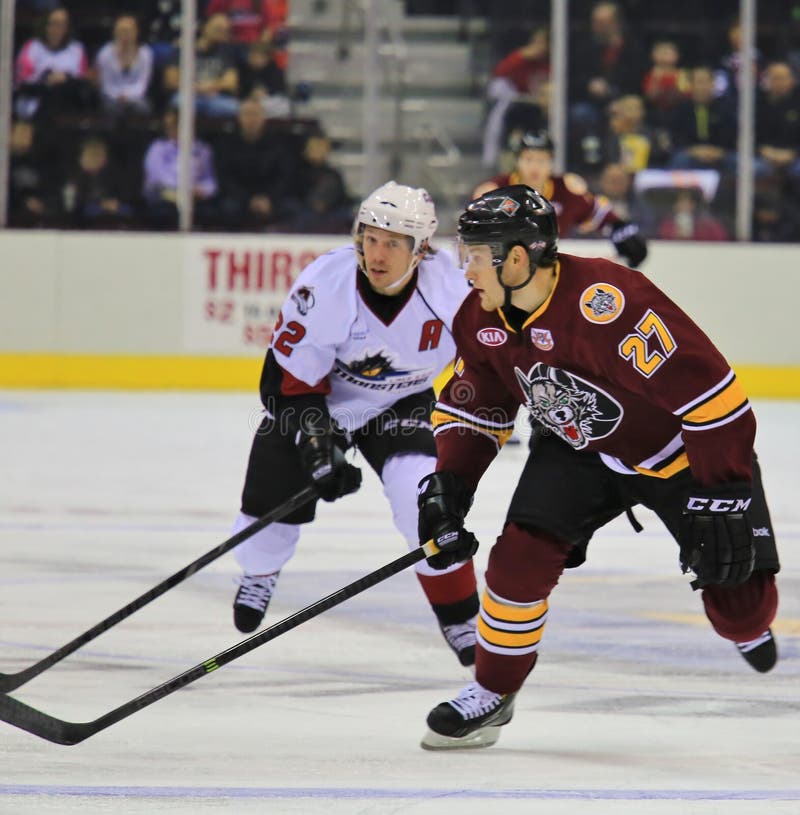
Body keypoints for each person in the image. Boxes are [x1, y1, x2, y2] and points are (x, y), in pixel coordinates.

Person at [416, 184, 780, 750]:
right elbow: (477, 402)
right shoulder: (479, 317)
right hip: (580, 449)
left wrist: (725, 491)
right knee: (516, 562)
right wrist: (451, 484)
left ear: (517, 258)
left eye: (476, 256)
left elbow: (714, 400)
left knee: (740, 607)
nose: (466, 271)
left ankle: (748, 626)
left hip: (681, 457)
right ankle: (492, 691)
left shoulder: (608, 304)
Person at [229, 181, 480, 668]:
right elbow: (284, 384)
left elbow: (489, 355)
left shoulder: (450, 288)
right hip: (318, 403)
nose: (377, 253)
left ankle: (460, 615)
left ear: (421, 249)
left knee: (424, 499)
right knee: (269, 507)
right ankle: (259, 573)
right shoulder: (325, 285)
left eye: (392, 242)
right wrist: (318, 444)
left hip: (401, 405)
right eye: (370, 238)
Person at [473, 131, 648, 268]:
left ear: (551, 163)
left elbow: (599, 214)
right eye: (528, 159)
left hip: (551, 272)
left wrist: (622, 232)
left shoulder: (567, 189)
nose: (535, 167)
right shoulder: (495, 191)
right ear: (517, 161)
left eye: (542, 160)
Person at [93, 13, 154, 116]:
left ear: (136, 32)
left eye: (128, 31)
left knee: (143, 107)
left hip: (136, 97)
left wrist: (128, 96)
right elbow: (106, 83)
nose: (125, 35)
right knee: (111, 108)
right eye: (122, 31)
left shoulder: (145, 53)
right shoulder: (105, 54)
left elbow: (142, 82)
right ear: (115, 33)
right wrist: (118, 96)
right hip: (111, 96)